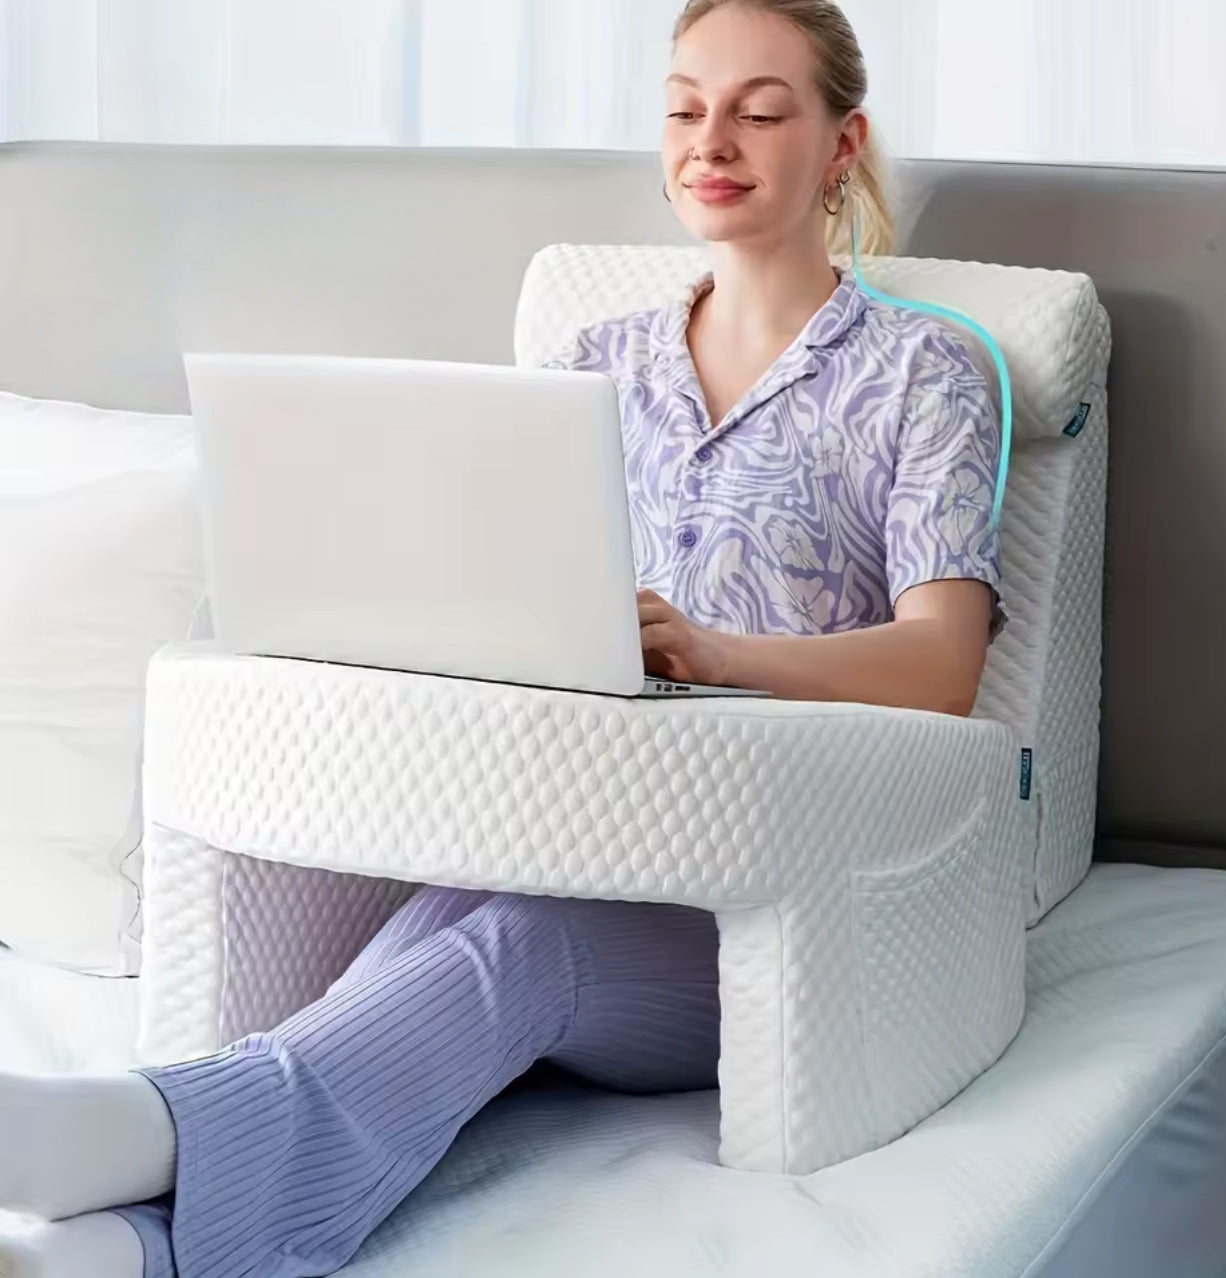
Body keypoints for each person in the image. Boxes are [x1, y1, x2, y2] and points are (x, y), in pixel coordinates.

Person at [0, 2, 1001, 1274]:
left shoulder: (924, 374)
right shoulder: (599, 360)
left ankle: (136, 1144)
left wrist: (718, 651)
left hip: (775, 899)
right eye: (687, 107)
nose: (714, 139)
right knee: (465, 915)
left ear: (842, 142)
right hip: (556, 830)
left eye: (760, 110)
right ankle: (118, 1254)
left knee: (519, 940)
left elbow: (945, 667)